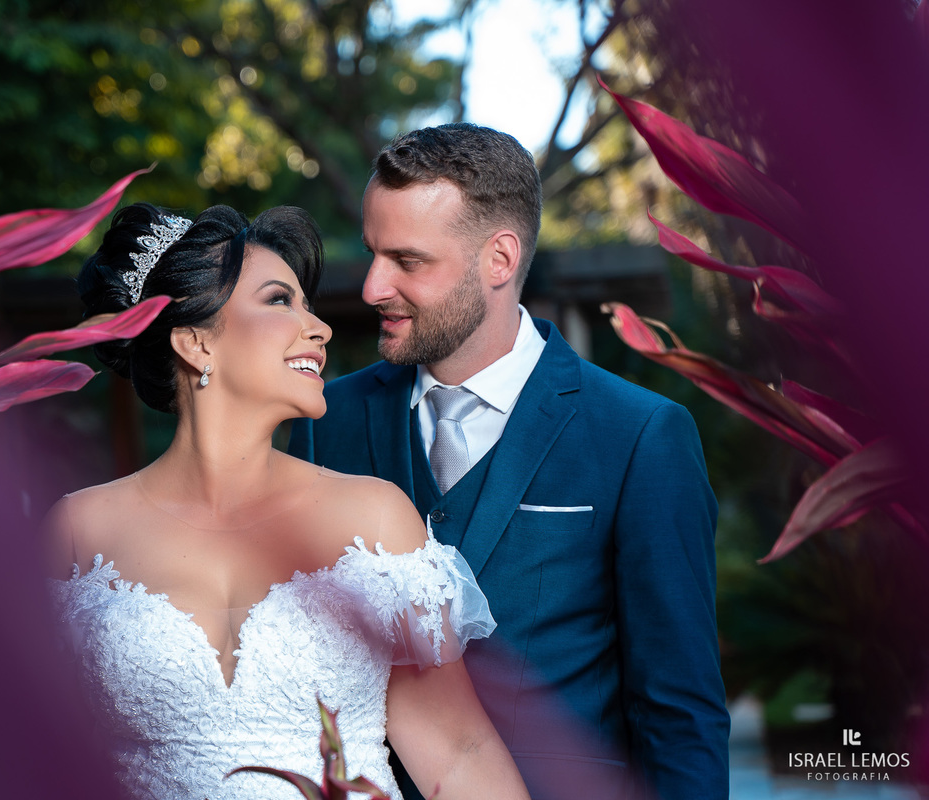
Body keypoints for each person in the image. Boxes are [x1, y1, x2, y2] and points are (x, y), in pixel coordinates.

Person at [288, 123, 730, 800]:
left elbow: (680, 714)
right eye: (375, 253)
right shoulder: (328, 422)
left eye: (408, 260)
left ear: (499, 259)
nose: (374, 285)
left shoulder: (641, 435)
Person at [44, 201, 533, 800]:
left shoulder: (373, 521)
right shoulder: (78, 530)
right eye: (280, 300)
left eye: (307, 304)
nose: (319, 327)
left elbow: (458, 756)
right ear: (195, 343)